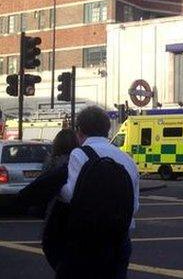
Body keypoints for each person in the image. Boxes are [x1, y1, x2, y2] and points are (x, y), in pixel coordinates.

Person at [57, 106, 140, 279]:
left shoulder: (79, 154)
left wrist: (56, 185)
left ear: (79, 131)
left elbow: (71, 196)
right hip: (120, 239)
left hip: (87, 239)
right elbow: (135, 205)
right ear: (107, 129)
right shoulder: (128, 160)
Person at [18, 129, 79, 269]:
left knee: (55, 251)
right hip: (76, 215)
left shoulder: (53, 162)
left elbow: (41, 186)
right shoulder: (79, 161)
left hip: (55, 213)